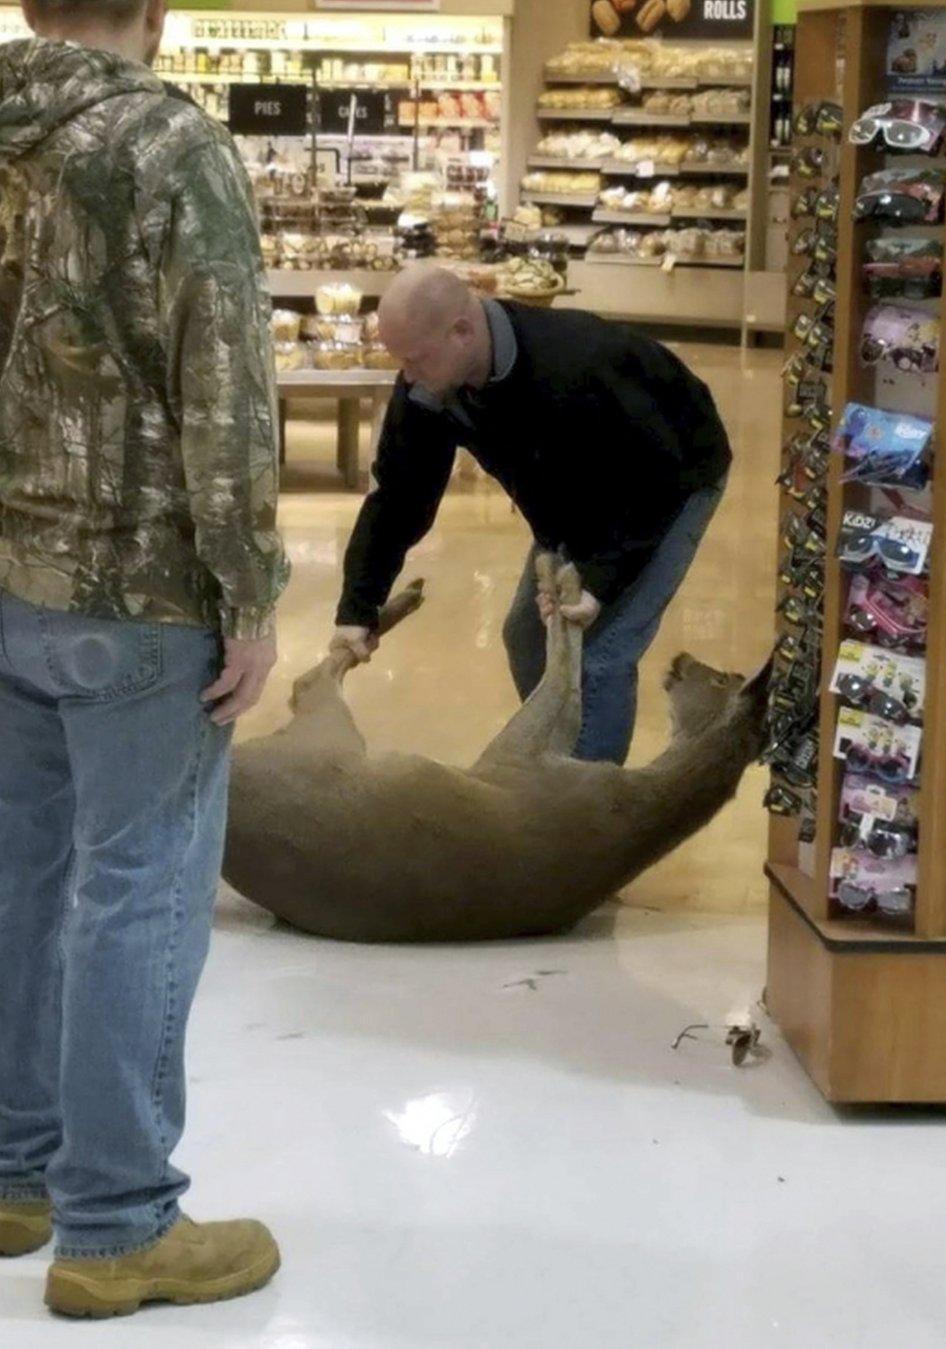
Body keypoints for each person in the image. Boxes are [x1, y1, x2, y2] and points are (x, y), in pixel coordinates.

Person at [0, 0, 289, 1318]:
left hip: (6, 577)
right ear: (156, 12)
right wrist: (251, 590)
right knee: (139, 886)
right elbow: (223, 386)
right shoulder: (169, 149)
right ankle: (117, 1227)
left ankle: (16, 1174)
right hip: (139, 585)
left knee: (24, 876)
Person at [332, 266, 731, 764]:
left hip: (672, 479)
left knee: (599, 656)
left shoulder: (575, 364)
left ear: (462, 331)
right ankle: (554, 762)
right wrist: (358, 606)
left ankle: (583, 820)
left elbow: (654, 478)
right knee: (525, 636)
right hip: (570, 497)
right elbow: (400, 496)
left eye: (415, 359)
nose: (407, 376)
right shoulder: (430, 385)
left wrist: (600, 581)